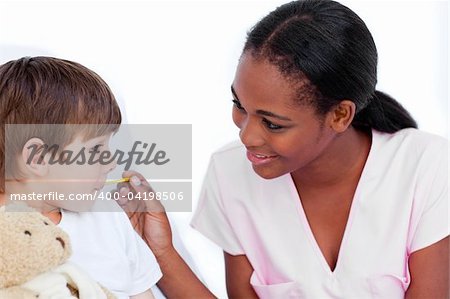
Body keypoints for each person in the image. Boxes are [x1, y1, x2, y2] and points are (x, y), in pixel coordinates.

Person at [123, 0, 448, 298]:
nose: (247, 137)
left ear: (339, 115)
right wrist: (161, 249)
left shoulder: (428, 167)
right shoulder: (231, 173)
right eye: (239, 105)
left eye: (273, 124)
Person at [0, 56, 162, 299]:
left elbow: (142, 294)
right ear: (38, 159)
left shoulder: (110, 219)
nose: (111, 163)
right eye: (97, 149)